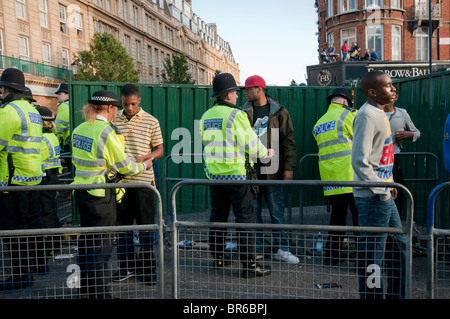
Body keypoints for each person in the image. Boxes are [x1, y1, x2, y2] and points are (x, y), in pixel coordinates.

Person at [71, 90, 154, 299]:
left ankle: (85, 291)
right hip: (101, 195)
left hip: (81, 192)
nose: (116, 112)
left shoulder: (79, 129)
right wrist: (144, 165)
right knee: (101, 248)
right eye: (116, 108)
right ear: (109, 108)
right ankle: (99, 294)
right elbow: (125, 167)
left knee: (86, 244)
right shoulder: (108, 132)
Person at [200, 72, 274, 278]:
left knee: (218, 218)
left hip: (214, 176)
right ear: (229, 94)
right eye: (235, 92)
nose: (237, 96)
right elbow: (251, 144)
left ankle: (219, 258)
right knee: (244, 220)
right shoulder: (237, 115)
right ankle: (250, 267)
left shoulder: (206, 116)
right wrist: (266, 153)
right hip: (237, 176)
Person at [351, 70, 408, 299]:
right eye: (388, 86)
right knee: (372, 257)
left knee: (398, 245)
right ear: (373, 92)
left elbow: (380, 157)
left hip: (384, 192)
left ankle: (396, 295)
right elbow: (360, 161)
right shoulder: (366, 116)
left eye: (392, 85)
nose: (393, 89)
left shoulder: (381, 113)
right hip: (373, 198)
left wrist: (389, 183)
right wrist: (382, 188)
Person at [241, 75, 298, 264]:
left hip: (273, 169)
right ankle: (257, 249)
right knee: (253, 213)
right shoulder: (243, 112)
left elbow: (288, 141)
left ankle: (282, 249)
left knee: (277, 212)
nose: (246, 92)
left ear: (260, 89)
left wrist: (288, 168)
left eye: (249, 89)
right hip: (251, 171)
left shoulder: (279, 112)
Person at [114, 84, 164, 285]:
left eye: (133, 104)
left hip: (143, 184)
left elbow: (160, 149)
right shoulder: (114, 118)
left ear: (139, 101)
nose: (129, 108)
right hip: (121, 183)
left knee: (146, 228)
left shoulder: (151, 121)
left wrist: (146, 156)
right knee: (123, 228)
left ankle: (147, 269)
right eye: (126, 104)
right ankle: (125, 268)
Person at [0, 68, 44, 290]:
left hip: (12, 180)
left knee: (12, 231)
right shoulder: (31, 109)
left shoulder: (8, 112)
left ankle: (20, 277)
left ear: (5, 88)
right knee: (26, 227)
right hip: (31, 177)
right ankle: (29, 271)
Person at [312, 87, 359, 265]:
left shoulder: (319, 122)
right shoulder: (349, 116)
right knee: (358, 218)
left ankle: (331, 256)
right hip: (352, 176)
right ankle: (364, 257)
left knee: (337, 218)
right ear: (346, 101)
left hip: (330, 178)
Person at [384, 92, 421, 218]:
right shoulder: (375, 113)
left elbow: (416, 132)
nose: (388, 97)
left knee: (398, 192)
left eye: (391, 94)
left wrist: (408, 134)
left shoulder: (402, 114)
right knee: (381, 192)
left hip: (394, 158)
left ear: (396, 97)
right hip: (378, 160)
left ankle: (395, 228)